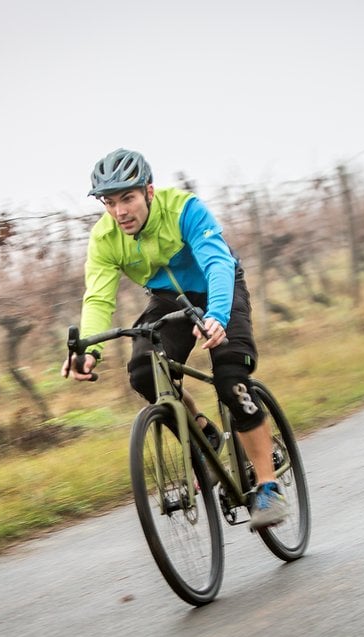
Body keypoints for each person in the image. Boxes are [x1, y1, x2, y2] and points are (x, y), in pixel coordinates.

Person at [62, 148, 286, 529]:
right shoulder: (104, 238)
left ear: (148, 192)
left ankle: (267, 485)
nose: (120, 212)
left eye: (128, 198)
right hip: (168, 300)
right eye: (110, 202)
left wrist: (216, 316)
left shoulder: (184, 209)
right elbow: (98, 296)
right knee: (144, 371)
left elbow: (217, 262)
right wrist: (89, 349)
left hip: (220, 287)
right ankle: (205, 435)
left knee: (231, 377)